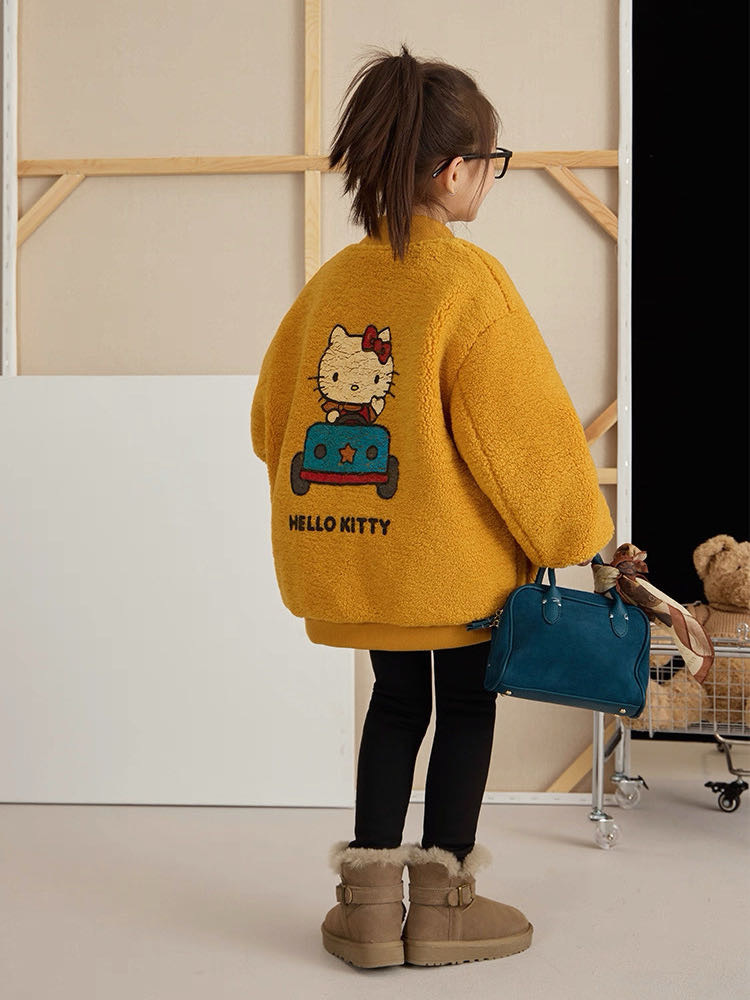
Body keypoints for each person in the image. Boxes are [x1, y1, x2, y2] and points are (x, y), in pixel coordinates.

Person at [250, 43, 614, 969]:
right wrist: (579, 536)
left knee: (395, 702)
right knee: (466, 709)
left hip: (367, 561)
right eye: (492, 164)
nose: (490, 180)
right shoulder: (468, 282)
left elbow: (268, 425)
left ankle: (368, 913)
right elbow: (524, 437)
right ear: (456, 171)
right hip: (452, 570)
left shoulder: (335, 282)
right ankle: (444, 908)